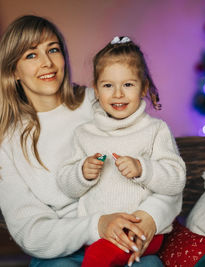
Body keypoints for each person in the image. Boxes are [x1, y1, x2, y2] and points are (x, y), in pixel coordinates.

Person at [0, 15, 183, 267]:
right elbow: (30, 231)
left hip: (127, 237)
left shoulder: (103, 100)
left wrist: (148, 219)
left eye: (53, 49)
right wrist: (97, 225)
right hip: (61, 252)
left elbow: (166, 176)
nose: (47, 63)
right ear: (13, 71)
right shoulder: (7, 142)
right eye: (31, 55)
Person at [57, 36, 186, 267]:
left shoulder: (155, 130)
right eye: (108, 85)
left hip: (143, 231)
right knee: (94, 253)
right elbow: (66, 184)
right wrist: (82, 173)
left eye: (128, 84)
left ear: (143, 87)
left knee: (97, 259)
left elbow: (176, 179)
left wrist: (143, 169)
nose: (118, 94)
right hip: (99, 235)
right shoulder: (84, 134)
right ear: (96, 90)